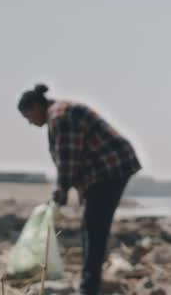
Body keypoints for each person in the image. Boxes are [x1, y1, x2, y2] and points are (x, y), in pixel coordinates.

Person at [17, 83, 142, 295]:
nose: (30, 123)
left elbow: (68, 158)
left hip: (110, 168)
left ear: (37, 106)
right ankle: (89, 283)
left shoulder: (59, 116)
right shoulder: (59, 113)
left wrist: (62, 189)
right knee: (91, 226)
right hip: (103, 171)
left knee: (94, 228)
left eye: (29, 117)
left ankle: (89, 287)